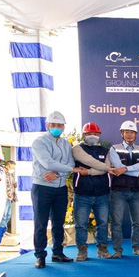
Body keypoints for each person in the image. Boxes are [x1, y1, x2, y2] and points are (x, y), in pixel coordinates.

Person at [31, 111, 79, 268]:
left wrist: (58, 173)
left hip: (60, 188)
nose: (56, 127)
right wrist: (67, 169)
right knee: (41, 223)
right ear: (47, 126)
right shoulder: (39, 142)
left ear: (64, 127)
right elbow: (48, 163)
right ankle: (40, 255)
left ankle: (57, 253)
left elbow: (71, 164)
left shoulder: (66, 144)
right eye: (53, 125)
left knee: (59, 222)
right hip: (42, 187)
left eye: (60, 125)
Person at [108, 120, 139, 258]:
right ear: (122, 133)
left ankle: (137, 248)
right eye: (126, 132)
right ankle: (117, 250)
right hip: (119, 191)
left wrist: (125, 169)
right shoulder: (114, 149)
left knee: (137, 222)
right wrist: (138, 173)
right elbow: (117, 167)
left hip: (136, 190)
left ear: (136, 134)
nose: (129, 134)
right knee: (117, 222)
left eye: (132, 132)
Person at [72, 122, 113, 261]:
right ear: (83, 135)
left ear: (99, 134)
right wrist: (104, 169)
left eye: (95, 133)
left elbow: (107, 167)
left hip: (102, 193)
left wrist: (89, 172)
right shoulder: (77, 149)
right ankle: (82, 251)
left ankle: (102, 249)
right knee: (80, 225)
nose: (92, 136)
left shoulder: (106, 151)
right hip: (82, 193)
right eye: (89, 134)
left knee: (103, 224)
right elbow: (92, 162)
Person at [0, 160, 17, 232]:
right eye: (12, 167)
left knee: (8, 215)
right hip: (5, 197)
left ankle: (4, 230)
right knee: (4, 215)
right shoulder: (2, 175)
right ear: (8, 166)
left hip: (10, 197)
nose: (13, 169)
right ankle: (1, 231)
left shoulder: (10, 175)